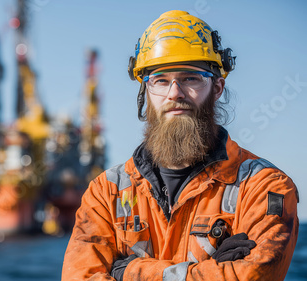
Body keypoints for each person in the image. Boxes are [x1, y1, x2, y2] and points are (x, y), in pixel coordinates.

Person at [61, 10, 299, 281]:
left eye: (190, 78)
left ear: (217, 87)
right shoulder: (106, 193)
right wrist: (212, 271)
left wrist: (126, 271)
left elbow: (254, 275)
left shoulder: (265, 187)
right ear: (146, 94)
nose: (175, 93)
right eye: (161, 80)